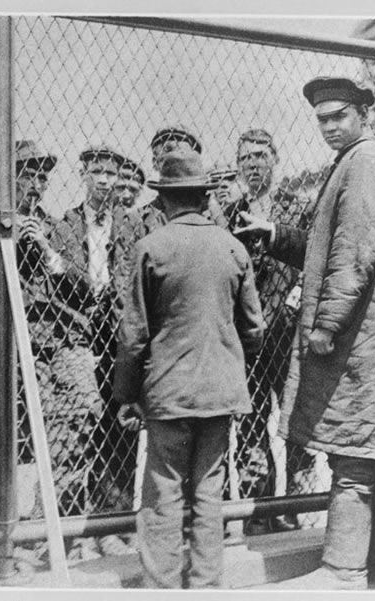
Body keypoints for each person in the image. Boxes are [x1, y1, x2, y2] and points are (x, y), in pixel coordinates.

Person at [237, 76, 375, 590]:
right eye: (322, 119)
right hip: (372, 338)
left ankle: (342, 571)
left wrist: (325, 324)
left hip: (357, 340)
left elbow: (354, 251)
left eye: (340, 115)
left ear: (364, 114)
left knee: (353, 454)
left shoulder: (361, 162)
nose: (330, 126)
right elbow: (326, 247)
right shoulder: (361, 161)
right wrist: (273, 235)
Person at [114, 147, 265, 588]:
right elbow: (254, 329)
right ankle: (206, 585)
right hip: (219, 392)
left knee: (163, 495)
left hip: (167, 393)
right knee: (208, 492)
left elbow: (133, 336)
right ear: (204, 197)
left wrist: (126, 395)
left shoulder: (150, 247)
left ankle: (161, 586)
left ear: (163, 201)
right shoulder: (233, 248)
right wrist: (226, 356)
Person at [217, 129, 315, 533]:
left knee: (296, 424)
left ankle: (296, 507)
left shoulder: (297, 207)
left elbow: (316, 254)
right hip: (249, 339)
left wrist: (297, 297)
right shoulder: (230, 214)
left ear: (275, 159)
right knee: (253, 426)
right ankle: (260, 512)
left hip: (289, 332)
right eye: (245, 158)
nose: (253, 164)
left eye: (260, 155)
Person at [47, 145, 143, 553]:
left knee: (123, 426)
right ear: (83, 173)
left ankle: (115, 526)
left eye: (112, 173)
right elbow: (56, 288)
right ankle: (64, 530)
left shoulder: (133, 226)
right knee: (77, 427)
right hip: (79, 335)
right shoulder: (65, 226)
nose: (105, 180)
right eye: (98, 171)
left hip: (120, 336)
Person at [13, 140, 104, 556]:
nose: (36, 183)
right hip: (19, 348)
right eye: (27, 174)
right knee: (52, 436)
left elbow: (86, 287)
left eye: (41, 176)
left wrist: (48, 252)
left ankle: (54, 529)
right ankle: (44, 529)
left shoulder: (58, 228)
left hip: (65, 341)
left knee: (83, 416)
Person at [139, 124, 203, 235]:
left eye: (185, 153)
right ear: (155, 162)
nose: (178, 158)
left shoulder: (212, 213)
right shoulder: (139, 220)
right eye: (169, 150)